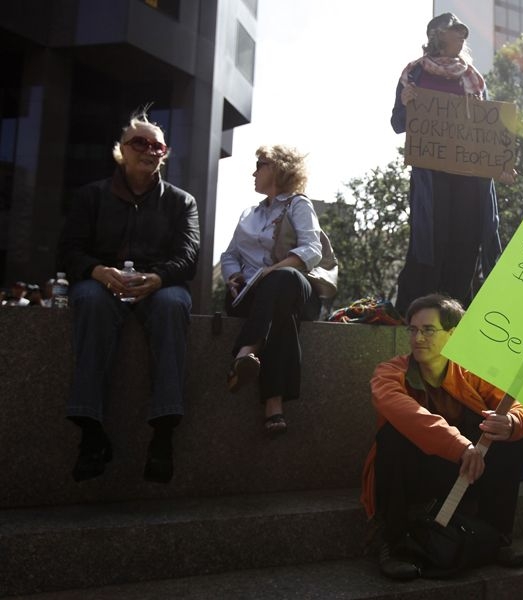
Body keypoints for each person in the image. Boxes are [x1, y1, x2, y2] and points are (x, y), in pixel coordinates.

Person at [56, 108, 200, 483]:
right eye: (140, 142)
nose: (150, 150)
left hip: (160, 287)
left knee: (173, 305)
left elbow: (188, 257)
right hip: (103, 284)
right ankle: (90, 433)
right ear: (121, 149)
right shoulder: (91, 196)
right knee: (88, 298)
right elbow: (69, 249)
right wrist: (97, 270)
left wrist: (158, 277)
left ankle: (164, 434)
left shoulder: (182, 202)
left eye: (158, 146)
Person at [360, 293, 523, 580]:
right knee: (393, 433)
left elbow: (520, 406)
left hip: (466, 471)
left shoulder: (470, 372)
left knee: (510, 432)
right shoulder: (391, 371)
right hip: (412, 474)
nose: (417, 338)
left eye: (428, 330)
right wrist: (460, 445)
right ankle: (393, 543)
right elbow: (401, 409)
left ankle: (496, 537)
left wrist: (513, 422)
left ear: (454, 335)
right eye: (412, 330)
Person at [390, 13, 504, 315]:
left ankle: (455, 318)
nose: (462, 37)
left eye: (464, 32)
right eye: (457, 31)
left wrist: (500, 162)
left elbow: (489, 132)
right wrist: (406, 101)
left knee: (465, 247)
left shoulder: (475, 80)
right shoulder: (413, 74)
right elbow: (398, 124)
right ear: (437, 35)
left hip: (470, 180)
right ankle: (414, 318)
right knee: (429, 247)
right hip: (431, 179)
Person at [220, 145, 323, 436]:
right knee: (281, 316)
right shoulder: (248, 214)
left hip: (294, 286)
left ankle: (245, 352)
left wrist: (272, 270)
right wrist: (234, 277)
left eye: (259, 165)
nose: (254, 172)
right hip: (251, 296)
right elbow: (229, 255)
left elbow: (312, 250)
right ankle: (273, 405)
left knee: (282, 281)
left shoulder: (298, 204)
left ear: (277, 168)